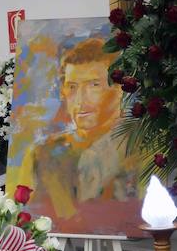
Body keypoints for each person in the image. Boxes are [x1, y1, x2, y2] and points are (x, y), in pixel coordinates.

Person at [20, 37, 140, 224]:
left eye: (94, 85)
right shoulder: (44, 153)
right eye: (72, 87)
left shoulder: (139, 147)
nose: (80, 100)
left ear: (119, 89)